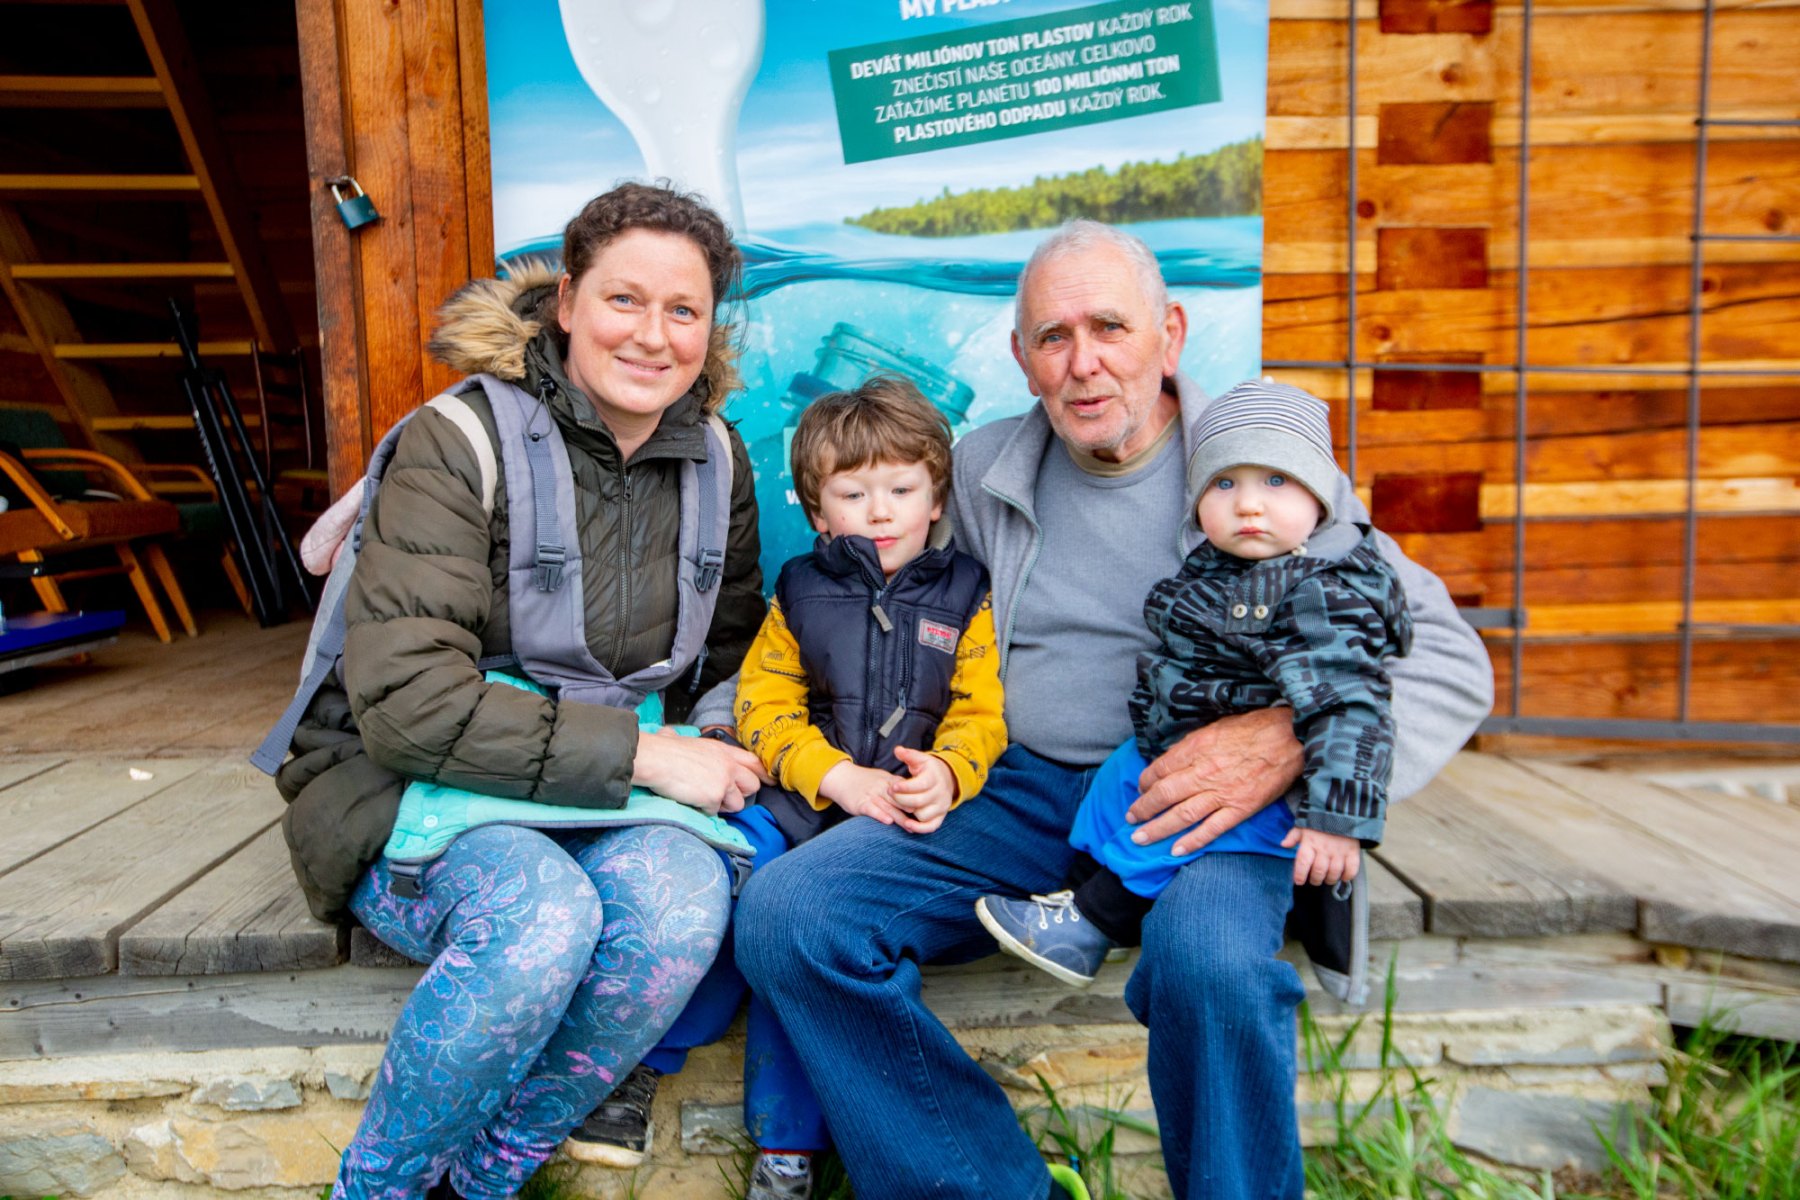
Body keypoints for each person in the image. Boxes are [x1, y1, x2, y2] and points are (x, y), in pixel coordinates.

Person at [732, 219, 1494, 1200]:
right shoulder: (981, 471)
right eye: (1054, 337)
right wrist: (726, 725)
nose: (1083, 363)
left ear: (1170, 335)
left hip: (1201, 802)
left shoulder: (1261, 471)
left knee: (1211, 964)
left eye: (1110, 328)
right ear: (1021, 358)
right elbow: (844, 618)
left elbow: (1448, 660)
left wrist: (1286, 740)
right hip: (1015, 790)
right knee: (792, 914)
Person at [272, 182, 768, 1200]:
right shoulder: (456, 443)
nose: (653, 335)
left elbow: (724, 658)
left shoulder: (718, 458)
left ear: (710, 329)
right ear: (567, 304)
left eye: (683, 310)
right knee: (542, 918)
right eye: (624, 299)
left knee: (680, 910)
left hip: (606, 789)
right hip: (402, 781)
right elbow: (410, 703)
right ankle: (379, 1189)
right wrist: (646, 754)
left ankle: (490, 1180)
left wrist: (715, 738)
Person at [574, 376, 1010, 1200]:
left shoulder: (966, 594)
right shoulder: (801, 591)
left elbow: (980, 714)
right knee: (733, 893)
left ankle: (789, 1149)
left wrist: (949, 772)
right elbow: (763, 707)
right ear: (817, 511)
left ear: (936, 497)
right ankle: (640, 1060)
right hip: (799, 801)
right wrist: (833, 775)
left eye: (901, 490)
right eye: (853, 494)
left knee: (810, 931)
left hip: (895, 820)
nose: (879, 512)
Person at [976, 380, 1413, 986]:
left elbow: (1354, 707)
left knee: (1169, 821)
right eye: (1224, 483)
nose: (1249, 505)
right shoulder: (1221, 564)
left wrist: (1338, 820)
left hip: (1266, 792)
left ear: (1319, 498)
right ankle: (1077, 899)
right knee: (1118, 785)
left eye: (1277, 481)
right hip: (1177, 739)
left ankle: (1093, 923)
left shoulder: (1325, 590)